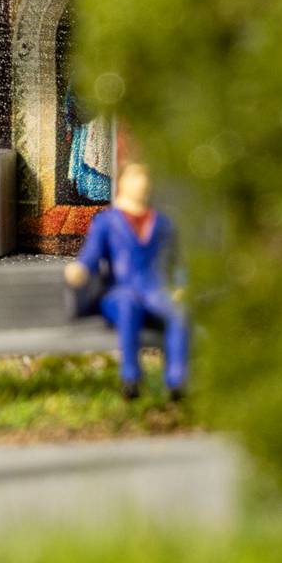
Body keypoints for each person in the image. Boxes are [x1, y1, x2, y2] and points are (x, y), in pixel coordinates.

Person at [65, 161, 192, 402]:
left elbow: (177, 262)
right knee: (126, 306)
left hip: (154, 291)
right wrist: (80, 269)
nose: (141, 182)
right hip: (120, 291)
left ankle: (177, 381)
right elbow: (91, 255)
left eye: (145, 176)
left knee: (178, 311)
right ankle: (130, 377)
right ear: (122, 182)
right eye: (135, 176)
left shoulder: (162, 223)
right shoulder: (107, 222)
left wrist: (180, 286)